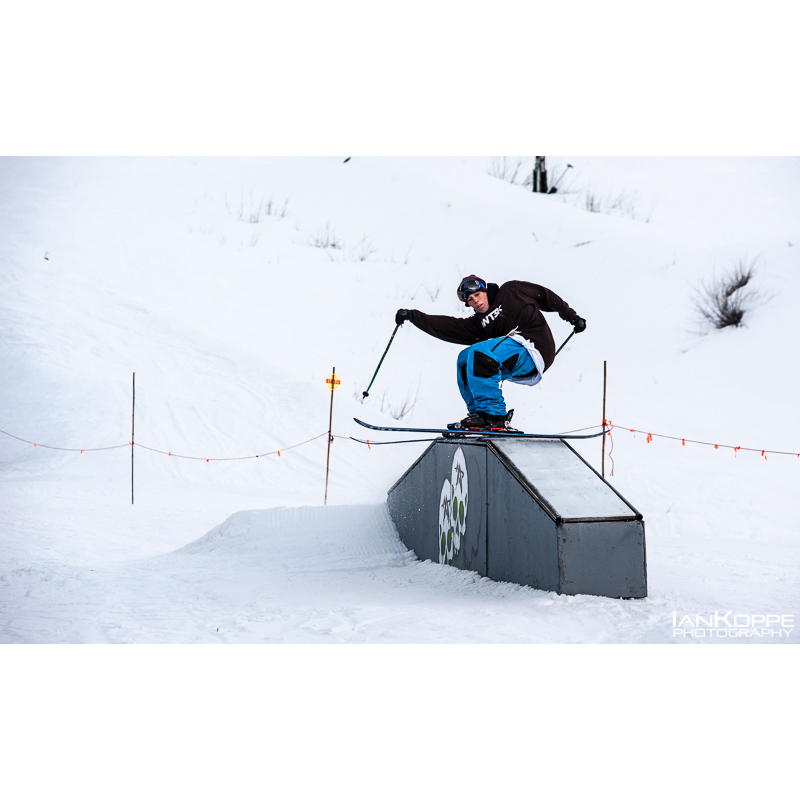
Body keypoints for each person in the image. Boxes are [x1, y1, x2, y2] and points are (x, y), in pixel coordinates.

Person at [395, 275, 586, 431]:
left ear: (485, 289)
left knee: (480, 352)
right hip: (511, 359)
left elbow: (544, 295)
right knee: (464, 359)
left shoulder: (511, 290)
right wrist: (413, 316)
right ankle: (479, 414)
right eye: (470, 300)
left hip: (534, 347)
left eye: (477, 295)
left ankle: (495, 415)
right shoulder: (479, 324)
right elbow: (447, 326)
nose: (475, 302)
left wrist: (571, 316)